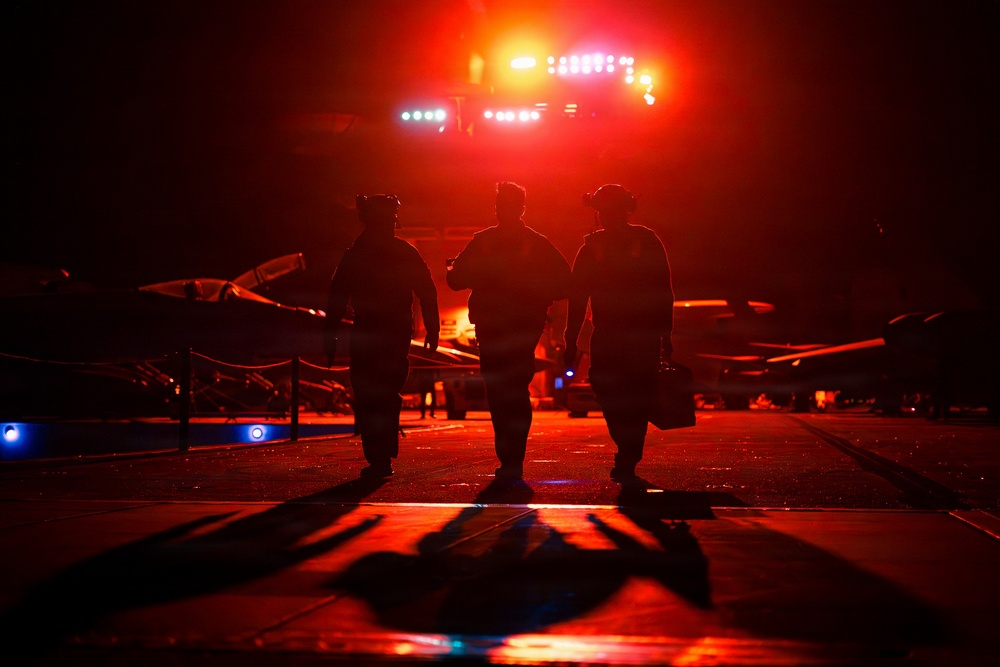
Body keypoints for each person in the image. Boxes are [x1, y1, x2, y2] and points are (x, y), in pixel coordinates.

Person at [447, 182, 571, 479]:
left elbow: (455, 280)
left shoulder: (485, 242)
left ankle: (509, 457)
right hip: (520, 328)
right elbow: (565, 282)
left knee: (500, 391)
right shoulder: (536, 242)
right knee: (515, 390)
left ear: (500, 208)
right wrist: (537, 295)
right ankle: (513, 457)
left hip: (494, 328)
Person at [563, 184, 674, 480]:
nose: (605, 215)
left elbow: (663, 290)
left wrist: (570, 339)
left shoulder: (638, 241)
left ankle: (628, 451)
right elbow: (578, 297)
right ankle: (629, 447)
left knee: (622, 393)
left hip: (626, 336)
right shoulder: (632, 243)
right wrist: (570, 338)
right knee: (614, 392)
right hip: (627, 336)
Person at [326, 194, 440, 478]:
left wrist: (330, 335)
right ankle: (382, 456)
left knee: (370, 394)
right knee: (386, 394)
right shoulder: (403, 252)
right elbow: (427, 290)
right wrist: (432, 327)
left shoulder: (357, 253)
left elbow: (337, 296)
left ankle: (378, 457)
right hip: (393, 332)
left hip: (368, 332)